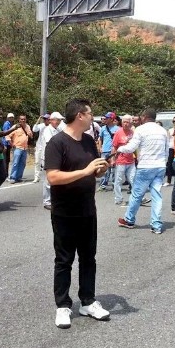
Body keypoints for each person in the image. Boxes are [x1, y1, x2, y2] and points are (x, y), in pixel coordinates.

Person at [45, 98, 110, 329]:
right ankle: (63, 306)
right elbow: (52, 177)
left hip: (87, 210)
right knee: (64, 260)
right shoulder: (57, 142)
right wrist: (84, 171)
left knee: (88, 258)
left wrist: (101, 170)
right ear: (80, 115)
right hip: (64, 212)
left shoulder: (90, 140)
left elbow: (95, 173)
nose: (93, 116)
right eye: (90, 113)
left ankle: (88, 301)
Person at [117, 108, 169, 234]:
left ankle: (129, 220)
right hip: (160, 166)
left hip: (146, 166)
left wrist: (120, 149)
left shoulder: (141, 129)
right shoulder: (162, 130)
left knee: (137, 194)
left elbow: (131, 147)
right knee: (156, 195)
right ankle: (156, 225)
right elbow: (166, 150)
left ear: (145, 117)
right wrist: (164, 163)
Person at [41, 112, 64, 210]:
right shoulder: (47, 130)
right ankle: (47, 201)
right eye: (57, 120)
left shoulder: (58, 130)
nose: (59, 122)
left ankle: (54, 200)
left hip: (56, 157)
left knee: (56, 179)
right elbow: (51, 143)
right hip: (48, 158)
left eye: (59, 120)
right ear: (52, 120)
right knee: (48, 180)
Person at [111, 115, 135, 206]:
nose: (125, 124)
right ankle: (118, 198)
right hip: (121, 160)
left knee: (133, 179)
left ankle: (136, 197)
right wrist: (113, 159)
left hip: (131, 160)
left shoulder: (132, 132)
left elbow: (135, 146)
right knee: (118, 180)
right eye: (124, 122)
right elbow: (114, 146)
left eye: (127, 122)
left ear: (130, 123)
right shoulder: (118, 132)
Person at [6, 114, 33, 184]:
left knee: (22, 163)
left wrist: (30, 133)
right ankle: (13, 177)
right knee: (15, 163)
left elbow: (31, 136)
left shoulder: (28, 126)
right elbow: (8, 136)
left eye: (24, 119)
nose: (23, 120)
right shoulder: (15, 127)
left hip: (25, 148)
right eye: (21, 119)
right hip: (17, 148)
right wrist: (12, 144)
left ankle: (18, 177)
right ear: (19, 120)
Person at [98, 112, 119, 191]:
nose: (105, 119)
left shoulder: (117, 129)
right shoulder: (103, 128)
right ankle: (103, 185)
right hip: (104, 151)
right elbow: (100, 139)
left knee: (114, 169)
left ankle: (114, 184)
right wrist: (100, 147)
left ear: (111, 119)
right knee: (104, 168)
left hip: (113, 151)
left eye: (107, 118)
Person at [32, 113, 51, 183]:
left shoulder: (51, 127)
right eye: (45, 119)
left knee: (45, 163)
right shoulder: (41, 125)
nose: (46, 120)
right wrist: (39, 119)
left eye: (47, 119)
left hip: (47, 147)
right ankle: (36, 177)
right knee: (37, 162)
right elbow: (34, 129)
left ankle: (45, 177)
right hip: (39, 146)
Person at [163, 116, 175, 187]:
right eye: (173, 121)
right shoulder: (170, 130)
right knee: (170, 165)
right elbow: (167, 140)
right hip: (171, 149)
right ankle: (168, 181)